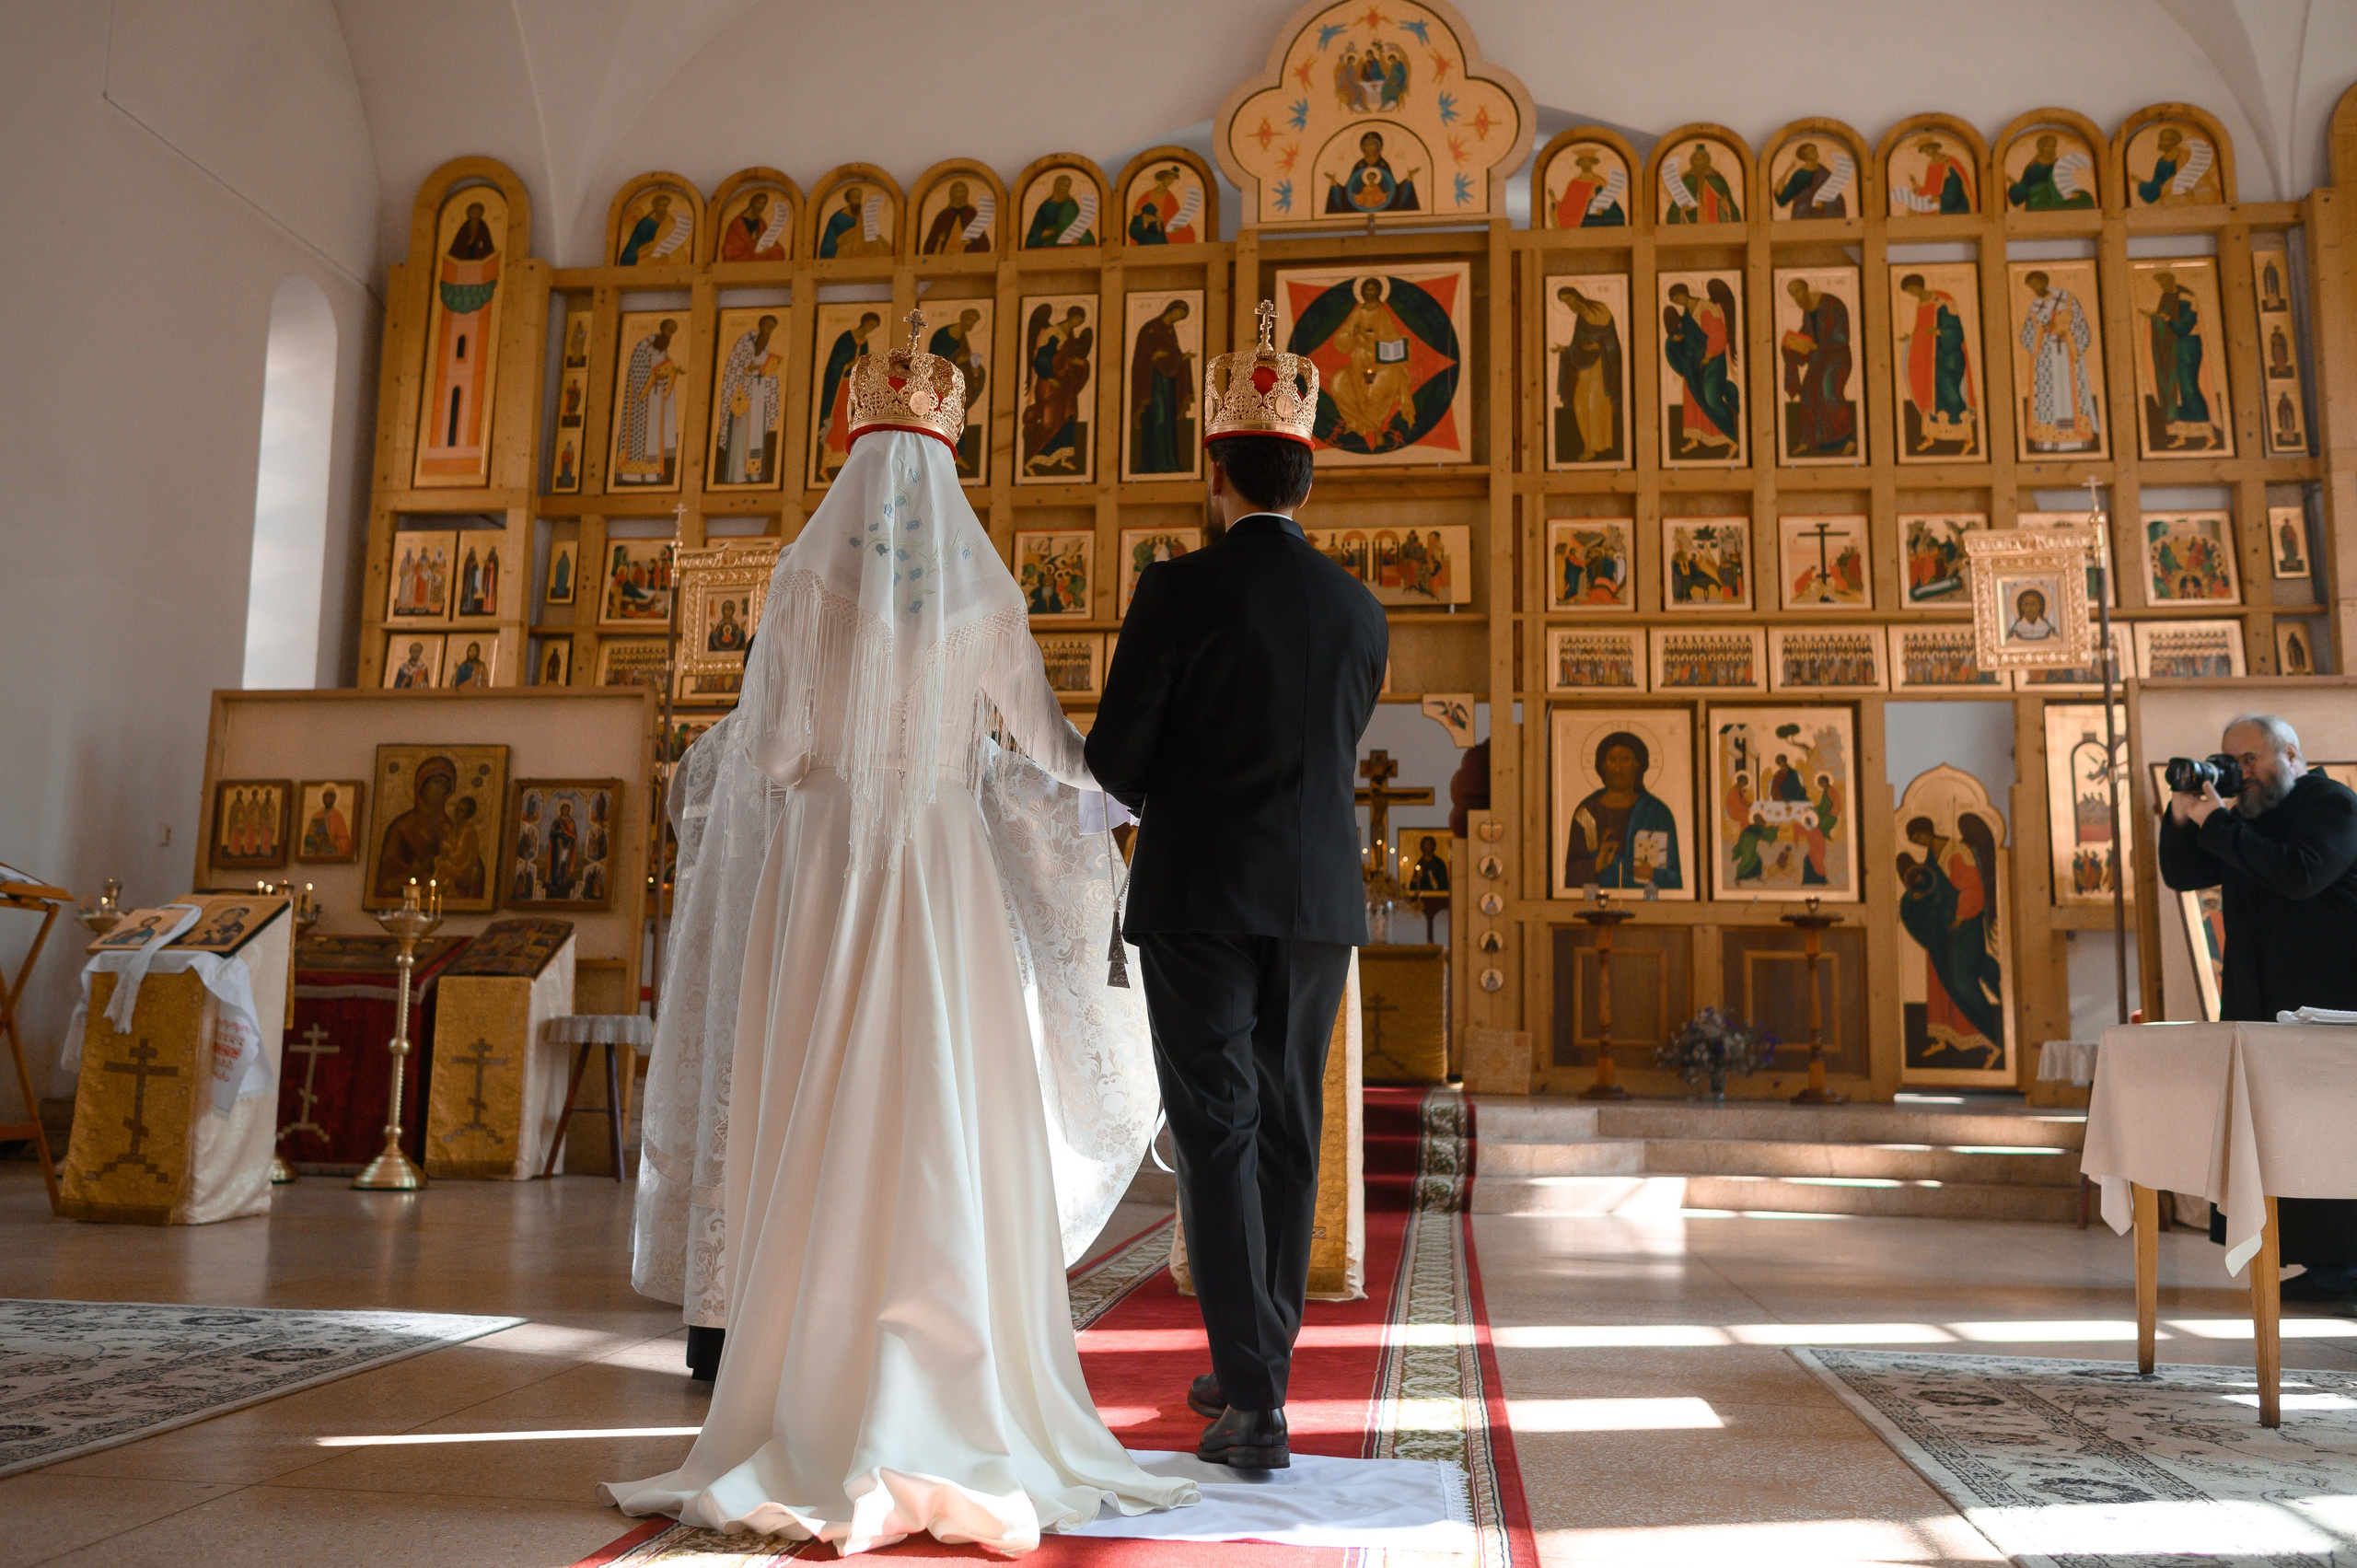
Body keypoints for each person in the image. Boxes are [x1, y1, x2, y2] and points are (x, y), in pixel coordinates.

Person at [602, 313, 1190, 1551]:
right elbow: (1048, 746)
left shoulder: (804, 575)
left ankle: (807, 1381)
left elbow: (773, 750)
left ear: (856, 452)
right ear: (946, 460)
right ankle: (952, 1374)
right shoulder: (981, 584)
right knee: (938, 1099)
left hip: (822, 868)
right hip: (938, 870)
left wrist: (842, 756)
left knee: (818, 1097)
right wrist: (1129, 791)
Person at [1086, 303, 1388, 1471]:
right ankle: (1253, 1353)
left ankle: (1255, 1398)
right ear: (1307, 475)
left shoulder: (1178, 589)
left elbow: (1116, 763)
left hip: (1199, 892)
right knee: (1288, 1124)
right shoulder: (1359, 607)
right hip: (1314, 901)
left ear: (1215, 470)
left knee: (1217, 1125)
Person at [2161, 714, 2357, 1300]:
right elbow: (2183, 872)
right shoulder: (2247, 821)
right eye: (2231, 760)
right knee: (2279, 1139)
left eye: (2250, 759)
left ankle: (2346, 1267)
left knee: (2331, 1138)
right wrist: (2182, 814)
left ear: (2291, 754)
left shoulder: (2332, 805)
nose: (2239, 772)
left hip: (2330, 1009)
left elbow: (2300, 875)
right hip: (2262, 1008)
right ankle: (2318, 1264)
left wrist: (2218, 820)